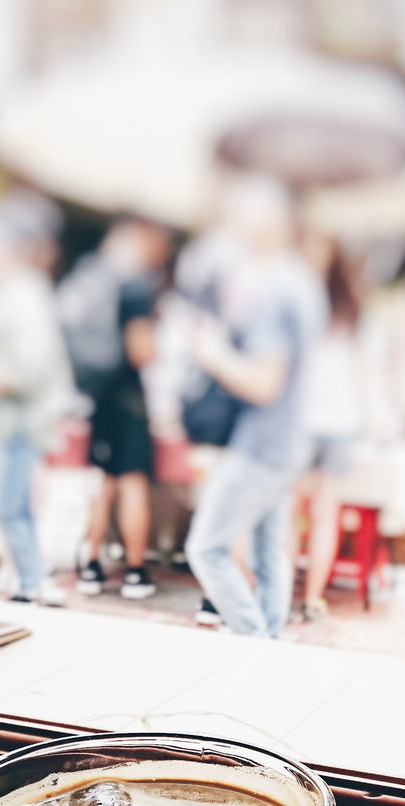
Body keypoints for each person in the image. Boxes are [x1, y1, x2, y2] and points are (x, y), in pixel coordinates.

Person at [185, 177, 326, 638]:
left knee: (206, 549)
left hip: (260, 442)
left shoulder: (272, 291)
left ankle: (254, 641)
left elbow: (264, 384)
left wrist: (212, 353)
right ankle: (269, 643)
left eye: (242, 218)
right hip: (287, 441)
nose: (237, 229)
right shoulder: (302, 282)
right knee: (270, 555)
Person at [59, 217, 172, 600]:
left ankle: (91, 565)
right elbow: (141, 351)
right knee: (133, 480)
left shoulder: (98, 279)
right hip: (130, 396)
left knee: (104, 479)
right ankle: (136, 572)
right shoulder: (136, 287)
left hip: (100, 392)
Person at [0, 206, 77, 605]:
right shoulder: (26, 291)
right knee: (14, 505)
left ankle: (34, 581)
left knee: (6, 506)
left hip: (21, 417)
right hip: (21, 417)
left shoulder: (24, 293)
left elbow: (32, 365)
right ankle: (29, 580)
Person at [295, 234, 363, 621]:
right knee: (325, 514)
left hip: (302, 423)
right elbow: (360, 372)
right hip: (341, 422)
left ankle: (285, 592)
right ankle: (312, 599)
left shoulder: (296, 301)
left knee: (291, 514)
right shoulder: (349, 309)